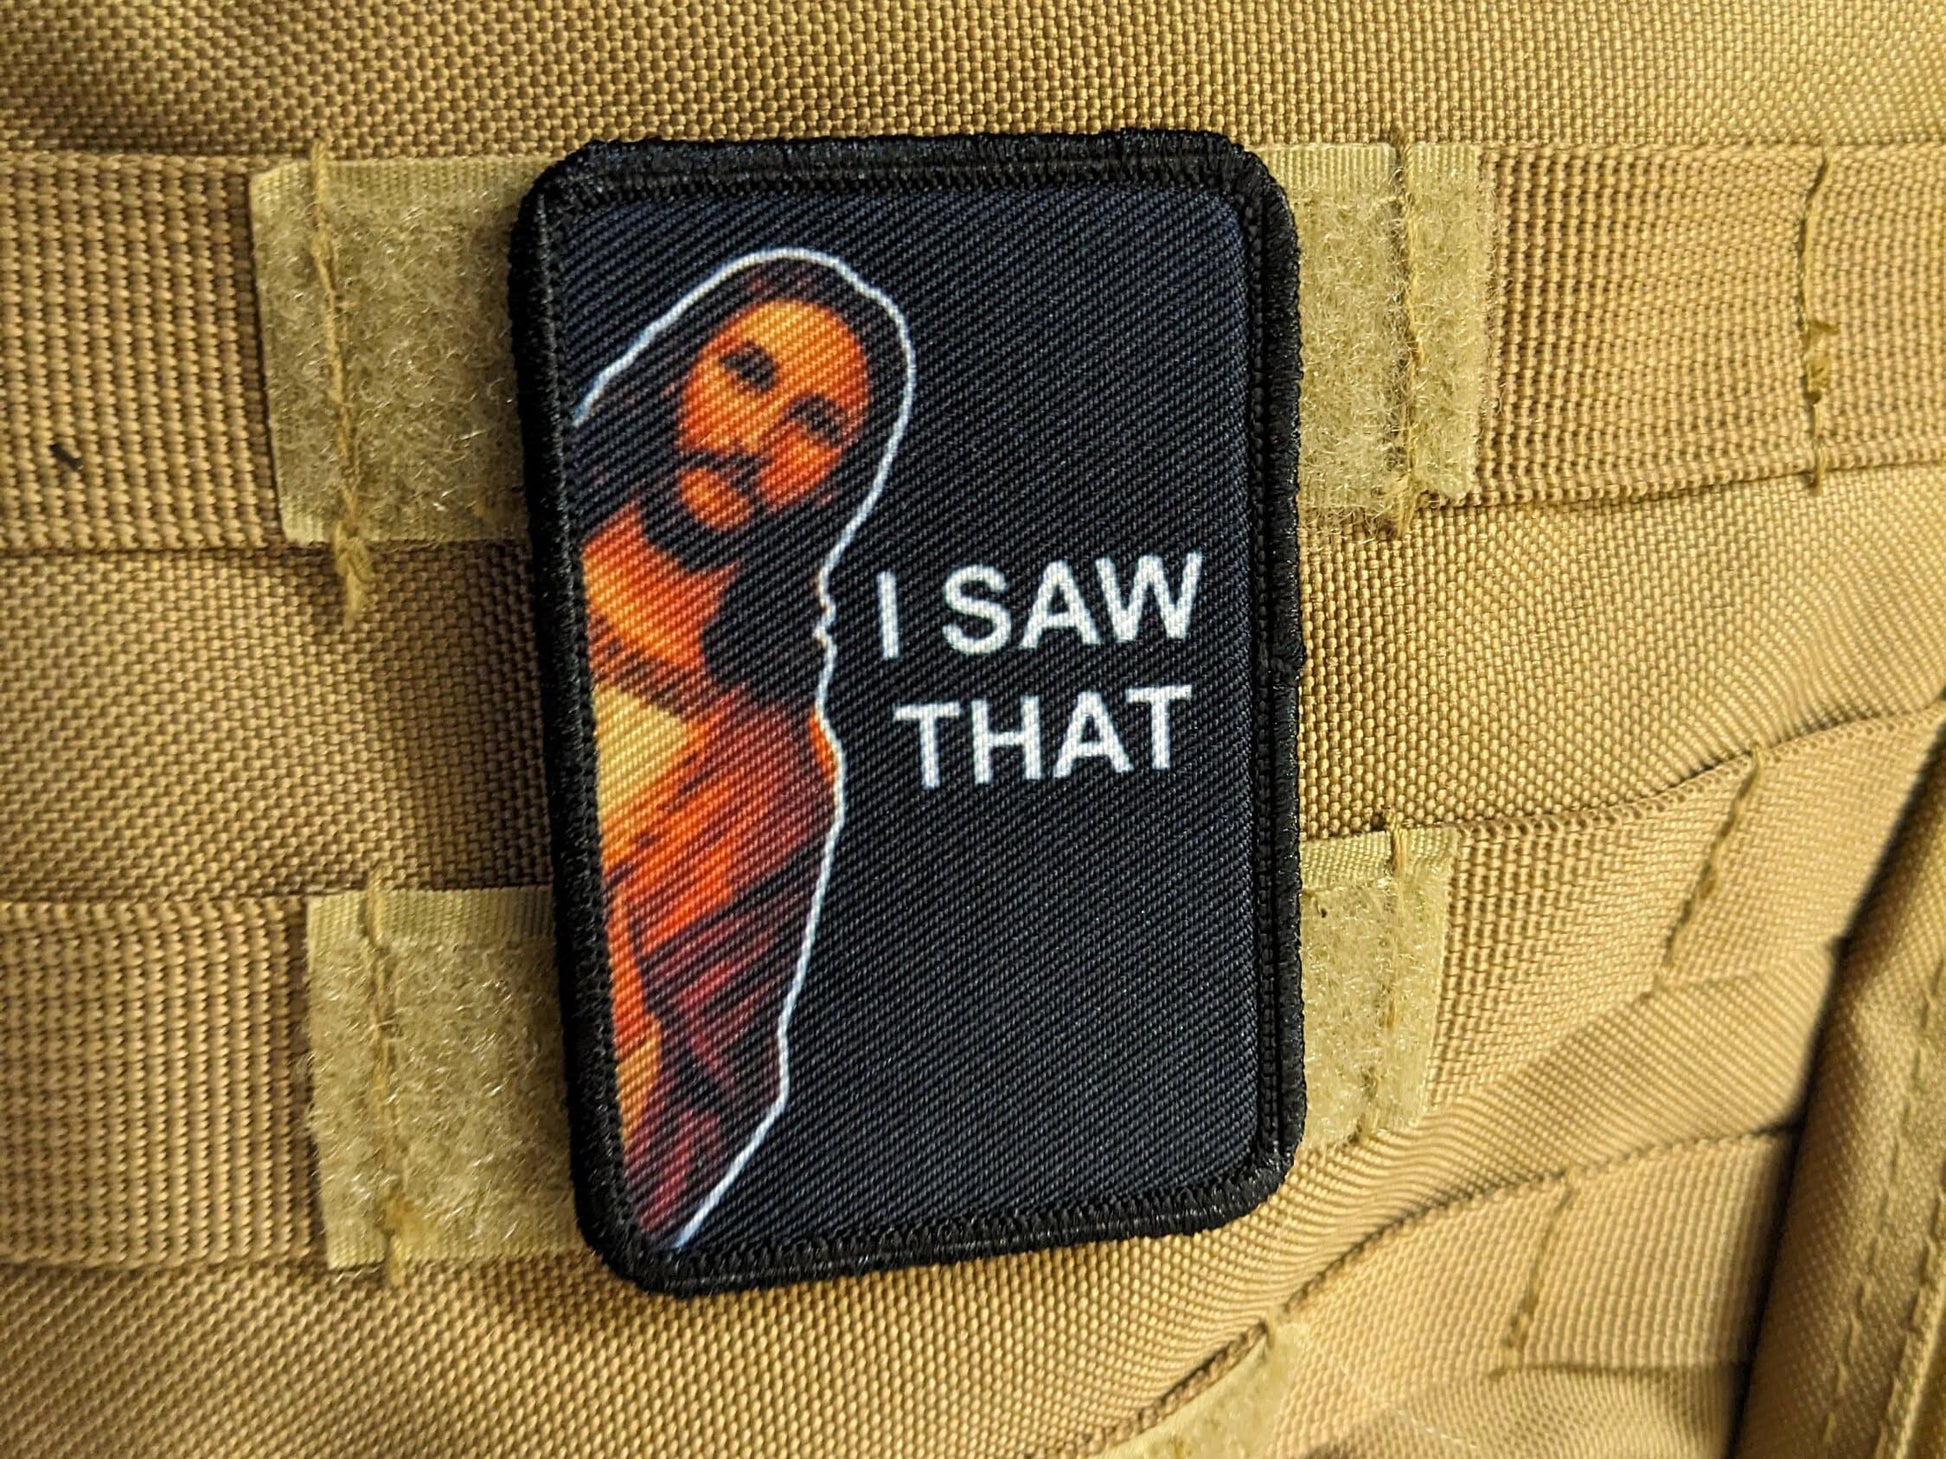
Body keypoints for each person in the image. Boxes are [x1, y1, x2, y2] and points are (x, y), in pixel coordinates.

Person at [572, 253, 910, 1247]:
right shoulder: (505, 576)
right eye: (747, 374)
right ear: (678, 369)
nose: (756, 440)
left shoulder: (777, 773)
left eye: (816, 426)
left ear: (834, 486)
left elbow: (710, 1092)